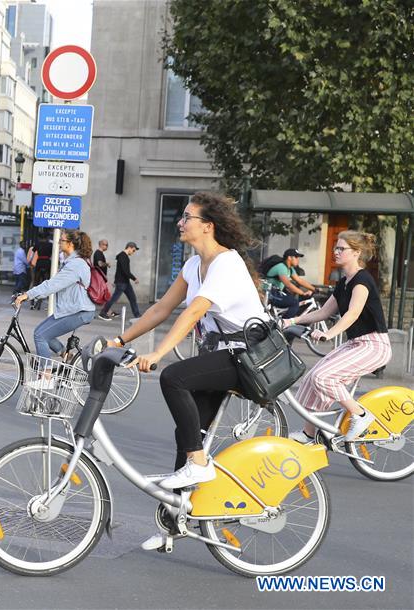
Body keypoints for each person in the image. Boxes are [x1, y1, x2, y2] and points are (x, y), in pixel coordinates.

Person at [105, 193, 265, 549]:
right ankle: (174, 524)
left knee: (173, 377)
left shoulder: (226, 263)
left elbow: (194, 312)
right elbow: (162, 309)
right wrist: (117, 339)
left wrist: (159, 353)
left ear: (207, 227)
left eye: (187, 217)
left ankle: (198, 462)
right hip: (225, 354)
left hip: (247, 357)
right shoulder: (194, 266)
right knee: (187, 433)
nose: (181, 221)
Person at [285, 231, 392, 443]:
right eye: (336, 247)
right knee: (313, 376)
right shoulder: (344, 282)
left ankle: (361, 415)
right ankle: (308, 433)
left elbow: (353, 313)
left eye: (341, 249)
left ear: (356, 253)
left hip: (374, 346)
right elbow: (323, 312)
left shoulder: (362, 280)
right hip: (356, 344)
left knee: (324, 377)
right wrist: (291, 321)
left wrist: (328, 333)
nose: (336, 252)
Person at [14, 230, 96, 386]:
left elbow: (52, 285)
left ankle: (46, 378)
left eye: (62, 241)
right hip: (72, 309)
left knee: (41, 336)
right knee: (41, 332)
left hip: (79, 311)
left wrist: (28, 295)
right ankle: (67, 355)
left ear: (70, 244)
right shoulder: (74, 262)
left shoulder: (75, 265)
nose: (59, 243)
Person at [264, 248, 316, 318]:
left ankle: (295, 321)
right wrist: (303, 293)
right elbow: (288, 284)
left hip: (277, 292)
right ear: (289, 258)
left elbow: (300, 281)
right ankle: (283, 324)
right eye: (296, 257)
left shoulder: (290, 269)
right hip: (270, 293)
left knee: (298, 301)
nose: (298, 260)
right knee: (294, 303)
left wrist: (314, 289)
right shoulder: (281, 267)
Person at [98, 241, 141, 320]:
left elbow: (119, 271)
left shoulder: (123, 256)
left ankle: (137, 315)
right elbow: (125, 271)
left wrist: (115, 281)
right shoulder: (123, 256)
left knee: (132, 298)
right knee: (114, 298)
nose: (133, 252)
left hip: (125, 282)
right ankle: (103, 313)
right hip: (122, 283)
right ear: (129, 248)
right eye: (133, 250)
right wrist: (134, 278)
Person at [29, 234, 53, 309]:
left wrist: (31, 262)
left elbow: (32, 254)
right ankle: (45, 302)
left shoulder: (37, 244)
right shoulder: (50, 244)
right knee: (46, 283)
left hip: (39, 263)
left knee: (35, 282)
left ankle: (32, 302)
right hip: (47, 263)